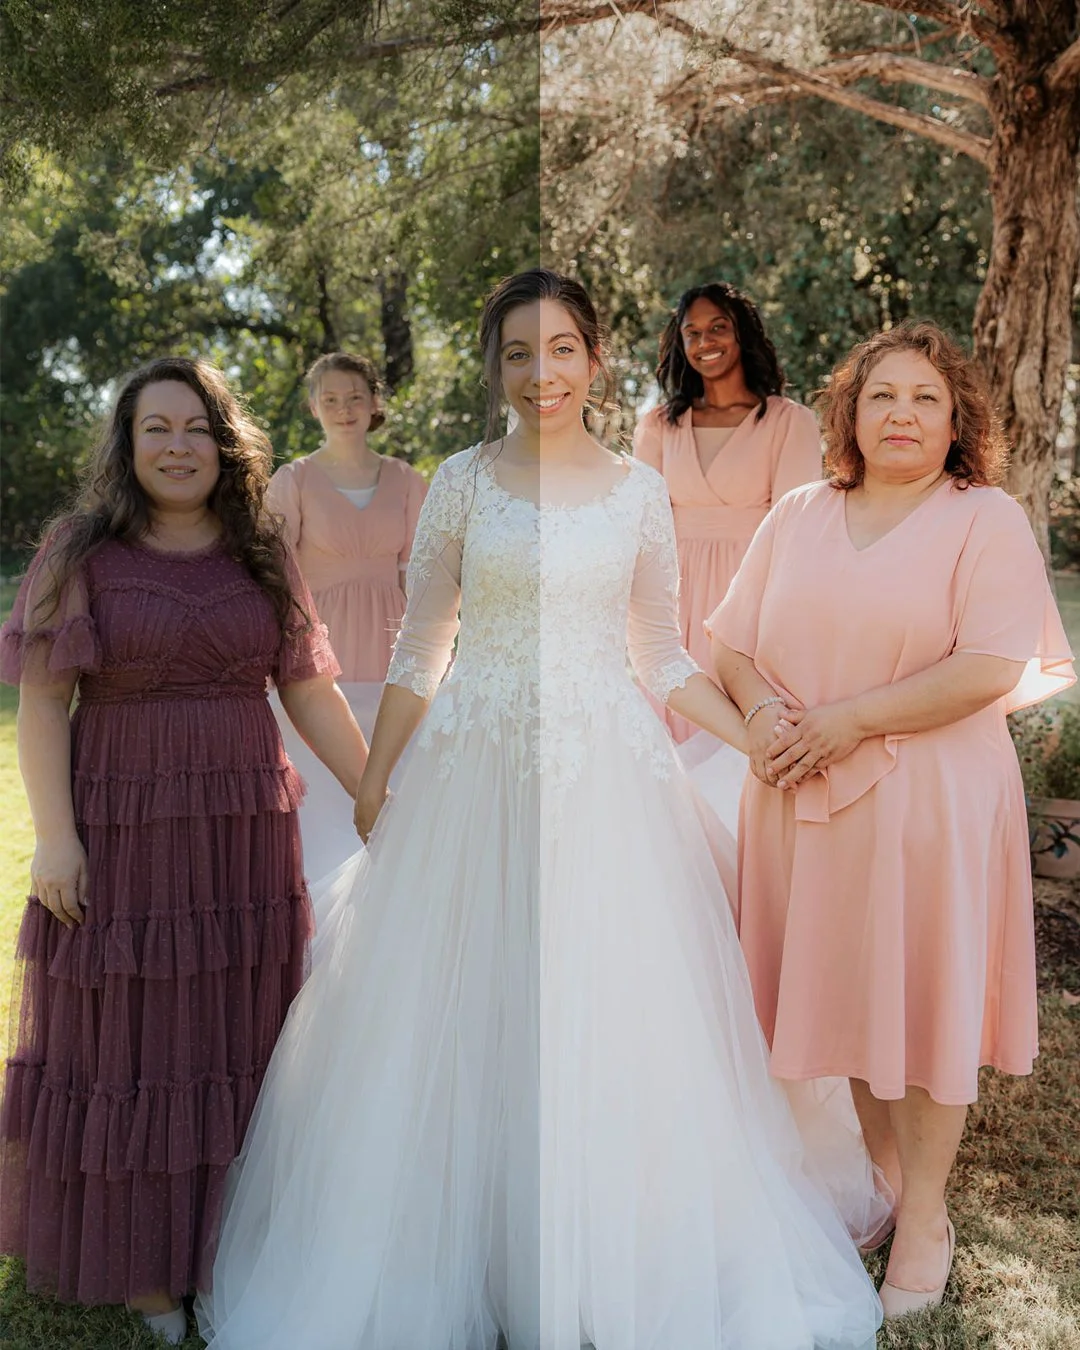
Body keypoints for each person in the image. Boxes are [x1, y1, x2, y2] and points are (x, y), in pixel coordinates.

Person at [196, 271, 882, 1350]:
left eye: (561, 349)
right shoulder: (463, 483)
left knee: (611, 1008)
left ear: (595, 360)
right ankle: (463, 1242)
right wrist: (377, 778)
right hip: (473, 770)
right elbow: (423, 642)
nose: (541, 372)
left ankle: (606, 1256)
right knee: (461, 1003)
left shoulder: (636, 490)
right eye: (519, 352)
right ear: (495, 367)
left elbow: (661, 653)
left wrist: (757, 737)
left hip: (607, 776)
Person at [707, 321, 1075, 1320]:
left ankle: (925, 1219)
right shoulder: (797, 513)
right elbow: (728, 644)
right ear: (850, 415)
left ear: (957, 419)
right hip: (806, 799)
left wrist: (845, 720)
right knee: (855, 1003)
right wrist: (764, 712)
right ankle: (884, 1180)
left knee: (925, 1006)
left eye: (924, 398)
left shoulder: (983, 518)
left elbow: (990, 667)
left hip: (931, 802)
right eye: (881, 396)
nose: (901, 415)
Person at [0, 357, 369, 1344]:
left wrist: (379, 789)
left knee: (237, 1036)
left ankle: (225, 1245)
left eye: (196, 428)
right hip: (121, 825)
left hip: (241, 827)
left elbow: (307, 687)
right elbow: (41, 704)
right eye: (155, 428)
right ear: (126, 444)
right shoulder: (80, 550)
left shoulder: (258, 549)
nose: (176, 446)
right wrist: (57, 841)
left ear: (225, 442)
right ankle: (146, 1270)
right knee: (137, 1040)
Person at [633, 282, 821, 744]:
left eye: (718, 328)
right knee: (669, 734)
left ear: (743, 335)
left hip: (751, 593)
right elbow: (640, 526)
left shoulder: (788, 420)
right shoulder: (659, 425)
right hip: (672, 599)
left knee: (745, 732)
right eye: (692, 332)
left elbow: (796, 531)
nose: (705, 342)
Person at [266, 352, 427, 873]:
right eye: (330, 399)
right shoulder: (293, 481)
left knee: (394, 780)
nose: (344, 408)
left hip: (393, 649)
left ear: (375, 402)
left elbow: (423, 576)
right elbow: (270, 575)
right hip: (319, 658)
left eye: (355, 396)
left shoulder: (406, 481)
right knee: (330, 798)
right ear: (314, 407)